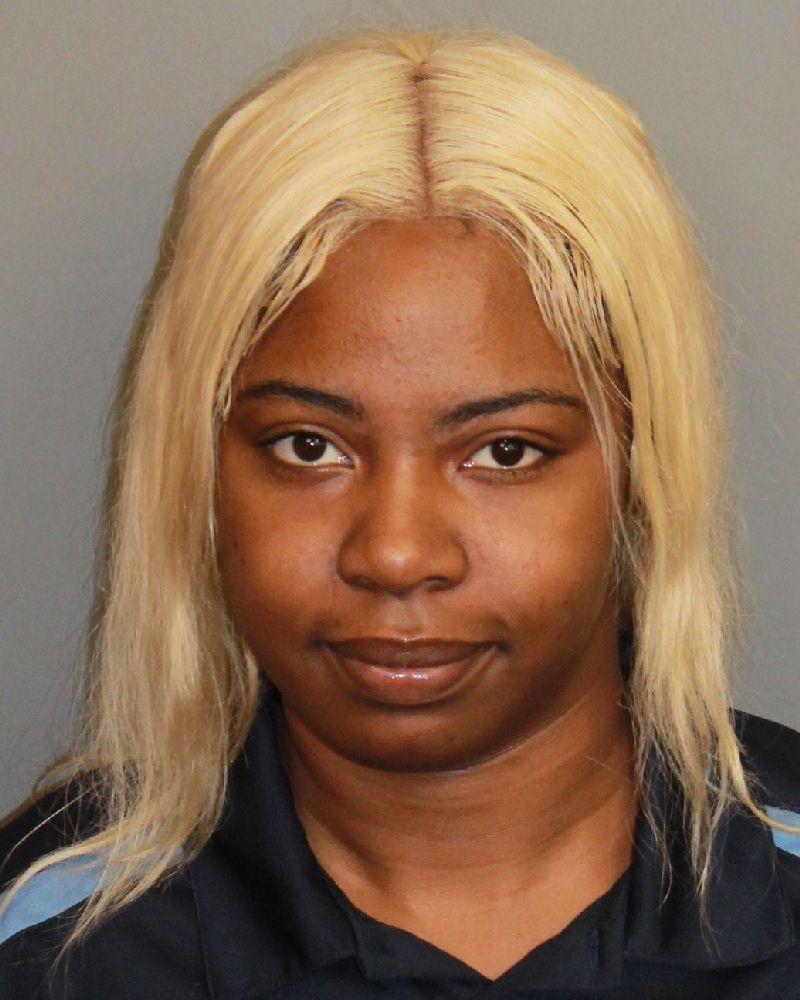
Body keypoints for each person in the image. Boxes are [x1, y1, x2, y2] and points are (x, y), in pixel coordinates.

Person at [1, 25, 799, 999]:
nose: (394, 553)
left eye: (504, 452)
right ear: (196, 470)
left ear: (644, 468)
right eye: (308, 447)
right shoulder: (55, 950)